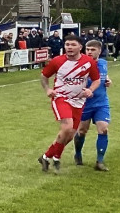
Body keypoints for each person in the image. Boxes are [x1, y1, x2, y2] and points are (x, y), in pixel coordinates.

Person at [38, 34, 101, 173]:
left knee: (71, 135)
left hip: (79, 101)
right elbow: (44, 75)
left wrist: (90, 90)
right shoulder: (57, 61)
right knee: (67, 127)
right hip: (61, 98)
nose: (69, 47)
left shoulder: (89, 62)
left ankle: (45, 156)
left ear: (80, 47)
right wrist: (48, 89)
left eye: (73, 45)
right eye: (67, 45)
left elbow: (96, 80)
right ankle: (56, 158)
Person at [73, 40, 112, 171]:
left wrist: (108, 80)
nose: (89, 52)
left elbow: (104, 76)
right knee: (82, 131)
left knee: (104, 129)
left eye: (92, 49)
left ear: (99, 51)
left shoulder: (103, 63)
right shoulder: (80, 65)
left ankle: (99, 162)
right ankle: (78, 154)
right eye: (88, 49)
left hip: (101, 102)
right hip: (85, 103)